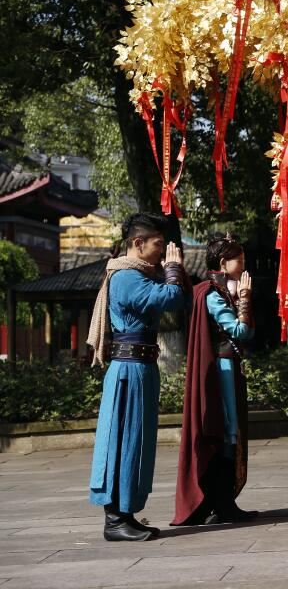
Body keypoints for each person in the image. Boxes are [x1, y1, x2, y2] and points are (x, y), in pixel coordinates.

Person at [87, 212, 187, 542]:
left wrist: (171, 272)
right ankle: (115, 519)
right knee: (124, 440)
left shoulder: (137, 274)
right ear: (138, 243)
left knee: (136, 441)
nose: (162, 251)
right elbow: (170, 298)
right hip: (129, 370)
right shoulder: (127, 278)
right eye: (159, 244)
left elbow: (175, 297)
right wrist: (173, 269)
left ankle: (125, 513)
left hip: (139, 368)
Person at [172, 234, 258, 525]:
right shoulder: (211, 292)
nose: (244, 265)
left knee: (229, 433)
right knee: (226, 432)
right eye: (240, 260)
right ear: (224, 262)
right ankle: (222, 504)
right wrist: (245, 300)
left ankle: (223, 502)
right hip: (222, 368)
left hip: (228, 366)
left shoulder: (218, 291)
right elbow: (240, 331)